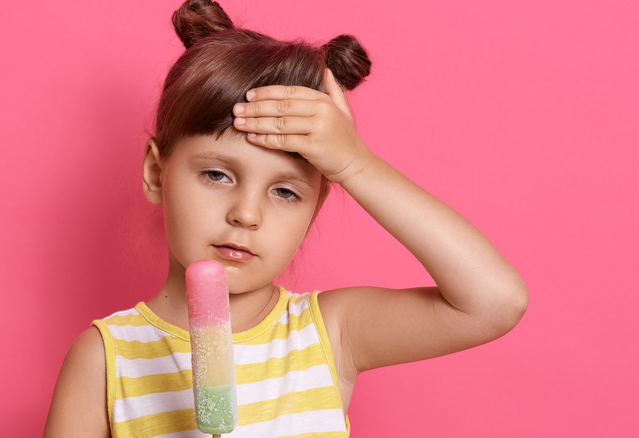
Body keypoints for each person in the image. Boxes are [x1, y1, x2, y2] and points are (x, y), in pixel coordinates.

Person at [43, 0, 528, 436]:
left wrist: (356, 164)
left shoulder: (329, 334)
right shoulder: (105, 360)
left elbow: (495, 302)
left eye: (284, 192)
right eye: (216, 175)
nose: (247, 214)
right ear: (156, 172)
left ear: (315, 207)